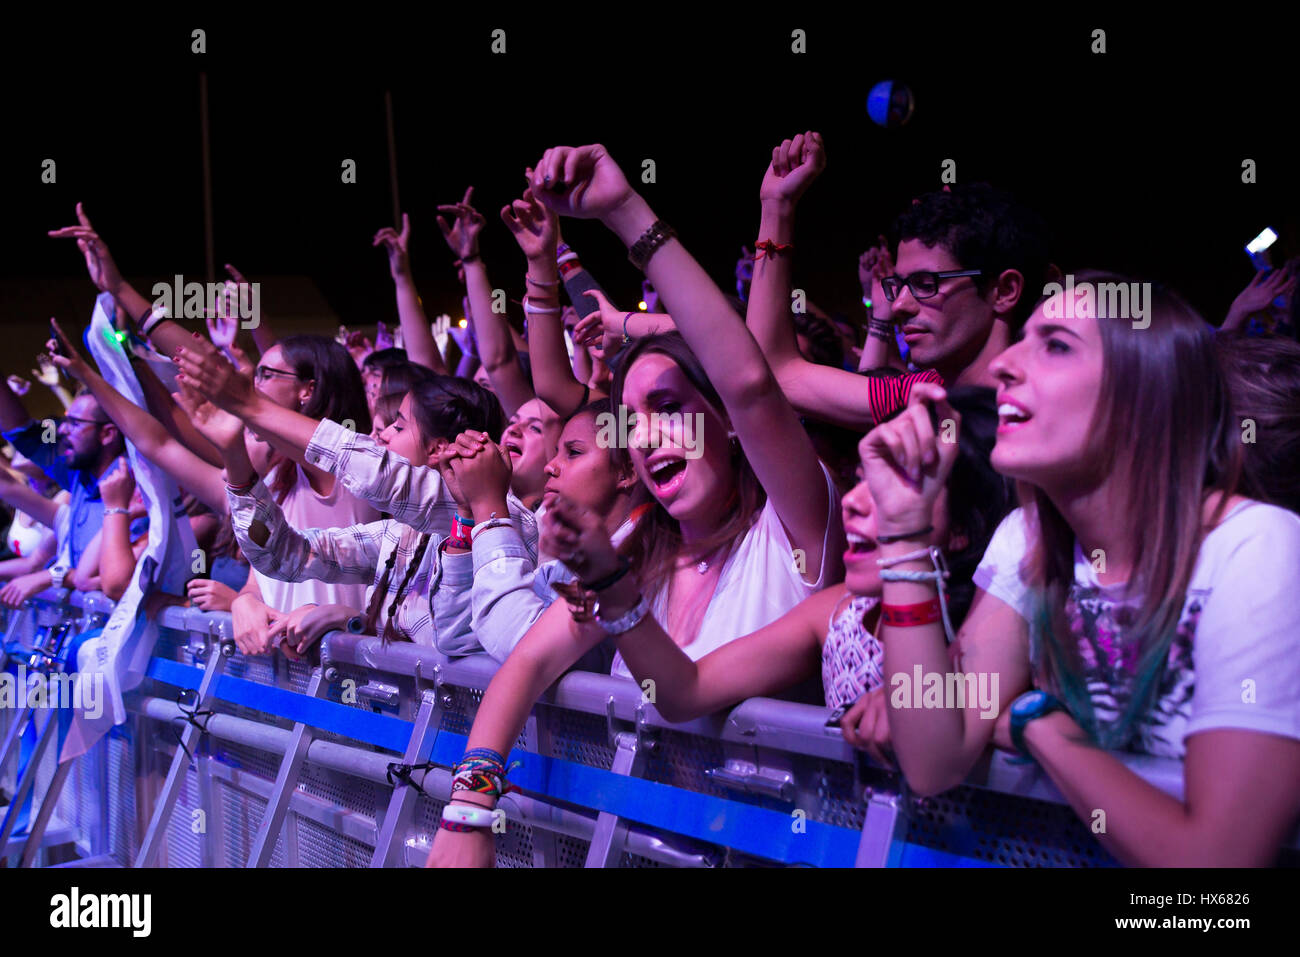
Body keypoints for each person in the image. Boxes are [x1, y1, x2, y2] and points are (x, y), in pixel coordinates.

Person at [425, 138, 843, 867]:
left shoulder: (793, 530)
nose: (648, 435)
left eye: (670, 406)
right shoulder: (639, 556)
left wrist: (623, 211)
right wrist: (468, 808)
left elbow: (748, 379)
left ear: (730, 426)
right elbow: (522, 666)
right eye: (633, 419)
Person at [867, 271, 1300, 866]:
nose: (1003, 367)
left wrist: (1038, 723)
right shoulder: (1028, 539)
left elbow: (1215, 868)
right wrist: (903, 536)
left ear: (1147, 396)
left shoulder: (1256, 546)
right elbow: (933, 760)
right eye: (1021, 341)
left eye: (1057, 345)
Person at [575, 387, 1010, 762]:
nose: (853, 502)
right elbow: (684, 692)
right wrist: (612, 587)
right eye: (861, 480)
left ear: (960, 531)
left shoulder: (998, 638)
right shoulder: (840, 613)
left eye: (890, 487)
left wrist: (928, 703)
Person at [187, 375, 530, 657]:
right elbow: (283, 556)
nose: (376, 436)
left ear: (437, 449)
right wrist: (234, 454)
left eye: (397, 427)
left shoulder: (506, 516)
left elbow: (385, 478)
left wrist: (251, 404)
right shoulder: (397, 537)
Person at [747, 134, 1052, 430]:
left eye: (925, 283)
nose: (900, 306)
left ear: (1005, 291)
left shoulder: (1058, 399)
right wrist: (777, 206)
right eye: (901, 285)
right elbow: (778, 374)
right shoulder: (922, 396)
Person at [438, 399, 645, 663]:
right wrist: (467, 512)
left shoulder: (636, 568)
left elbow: (521, 646)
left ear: (627, 471)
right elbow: (459, 638)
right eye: (556, 451)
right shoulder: (558, 571)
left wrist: (488, 506)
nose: (551, 466)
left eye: (573, 452)